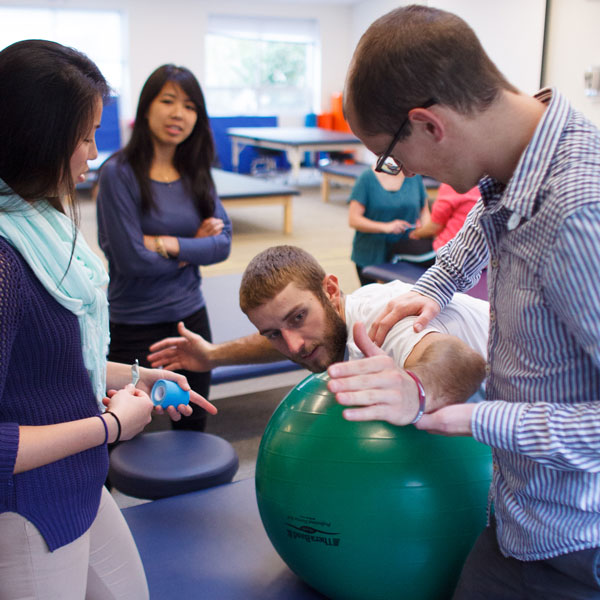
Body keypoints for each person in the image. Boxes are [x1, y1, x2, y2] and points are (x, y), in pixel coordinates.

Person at [337, 5, 600, 599]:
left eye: (391, 159)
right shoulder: (519, 157)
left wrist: (479, 418)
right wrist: (430, 288)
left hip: (579, 544)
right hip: (516, 518)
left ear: (429, 125)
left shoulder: (581, 211)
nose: (404, 175)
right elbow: (485, 226)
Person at [0, 40, 217, 599]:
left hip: (81, 479)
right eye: (83, 136)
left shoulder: (41, 221)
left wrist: (138, 377)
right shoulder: (6, 261)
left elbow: (53, 363)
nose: (91, 154)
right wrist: (112, 427)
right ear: (36, 136)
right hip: (29, 509)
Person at [148, 245, 489, 421]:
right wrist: (212, 355)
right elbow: (290, 339)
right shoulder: (325, 326)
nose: (293, 345)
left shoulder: (381, 322)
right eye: (274, 333)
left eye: (298, 316)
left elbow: (462, 362)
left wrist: (413, 391)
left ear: (330, 290)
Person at [96, 64, 232, 432]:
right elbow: (131, 261)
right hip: (132, 325)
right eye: (168, 101)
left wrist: (166, 243)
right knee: (116, 433)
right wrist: (194, 248)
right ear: (145, 108)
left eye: (189, 106)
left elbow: (222, 245)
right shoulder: (118, 174)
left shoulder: (197, 170)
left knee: (192, 419)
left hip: (188, 321)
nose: (178, 114)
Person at [348, 163, 432, 285]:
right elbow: (354, 219)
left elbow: (424, 212)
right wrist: (386, 227)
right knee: (373, 300)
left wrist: (424, 232)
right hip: (371, 252)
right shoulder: (366, 178)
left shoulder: (414, 177)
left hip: (406, 252)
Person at [409, 183, 479, 253]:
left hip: (449, 249)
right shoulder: (482, 185)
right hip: (476, 248)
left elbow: (434, 227)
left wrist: (415, 233)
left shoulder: (452, 186)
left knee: (402, 247)